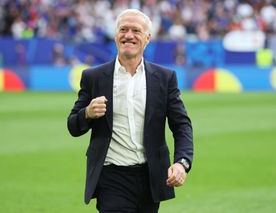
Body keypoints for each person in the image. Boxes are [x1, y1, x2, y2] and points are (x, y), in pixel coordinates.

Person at [67, 9, 193, 213]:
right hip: (111, 177)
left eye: (136, 30)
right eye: (123, 29)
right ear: (116, 35)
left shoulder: (164, 78)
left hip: (151, 177)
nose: (128, 35)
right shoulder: (94, 77)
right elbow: (73, 125)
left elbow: (181, 125)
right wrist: (87, 113)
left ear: (147, 38)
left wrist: (181, 163)